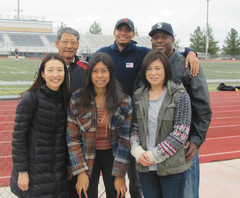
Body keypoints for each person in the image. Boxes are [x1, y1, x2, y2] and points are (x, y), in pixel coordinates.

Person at [95, 18, 200, 198]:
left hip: (135, 121)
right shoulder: (103, 53)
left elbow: (164, 51)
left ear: (133, 34)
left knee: (138, 183)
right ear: (114, 32)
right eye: (120, 30)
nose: (123, 33)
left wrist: (190, 52)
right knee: (115, 178)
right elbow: (87, 68)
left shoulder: (143, 53)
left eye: (128, 30)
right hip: (113, 127)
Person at [148, 22, 212, 198]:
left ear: (173, 40)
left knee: (187, 193)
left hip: (183, 146)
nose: (159, 41)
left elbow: (203, 107)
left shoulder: (188, 65)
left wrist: (196, 140)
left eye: (164, 37)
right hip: (155, 145)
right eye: (155, 37)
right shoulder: (149, 65)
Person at [66, 52, 132, 198]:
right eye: (95, 71)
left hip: (113, 155)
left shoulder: (124, 101)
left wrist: (120, 174)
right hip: (86, 155)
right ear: (89, 74)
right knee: (85, 192)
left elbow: (125, 140)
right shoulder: (77, 99)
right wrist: (81, 172)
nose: (99, 76)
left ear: (110, 73)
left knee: (117, 193)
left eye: (104, 71)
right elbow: (72, 139)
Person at [130, 49, 192, 198]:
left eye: (158, 68)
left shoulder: (179, 95)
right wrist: (137, 151)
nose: (153, 73)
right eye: (149, 69)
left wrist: (154, 155)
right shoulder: (139, 96)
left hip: (172, 168)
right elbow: (134, 127)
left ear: (166, 70)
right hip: (145, 167)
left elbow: (180, 133)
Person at [10, 53, 71, 197]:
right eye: (50, 70)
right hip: (35, 174)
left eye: (59, 70)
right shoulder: (30, 99)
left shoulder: (67, 100)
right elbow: (18, 139)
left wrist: (68, 164)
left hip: (59, 174)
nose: (55, 74)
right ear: (42, 74)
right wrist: (22, 171)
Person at [55, 27, 87, 93]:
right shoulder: (46, 67)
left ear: (78, 45)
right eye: (65, 42)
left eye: (73, 43)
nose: (69, 46)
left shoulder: (87, 68)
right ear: (57, 44)